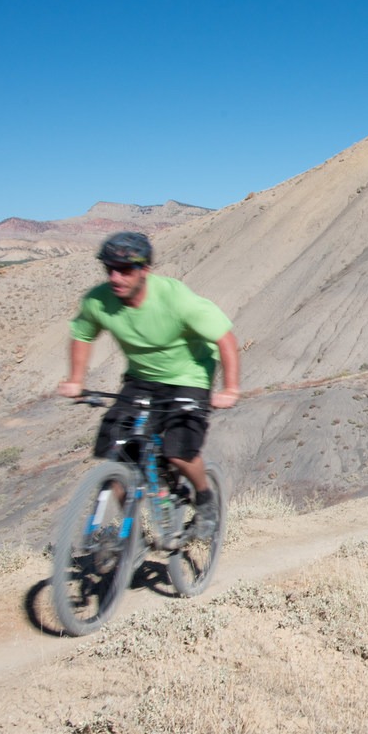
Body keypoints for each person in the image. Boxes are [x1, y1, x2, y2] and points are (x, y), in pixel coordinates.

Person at [57, 231, 240, 539]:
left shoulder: (174, 298)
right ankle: (131, 540)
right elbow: (82, 333)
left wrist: (230, 388)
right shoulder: (99, 300)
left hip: (189, 376)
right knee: (119, 453)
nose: (116, 277)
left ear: (145, 270)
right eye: (109, 269)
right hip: (141, 378)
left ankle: (206, 500)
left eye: (125, 269)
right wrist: (77, 379)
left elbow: (225, 338)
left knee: (178, 451)